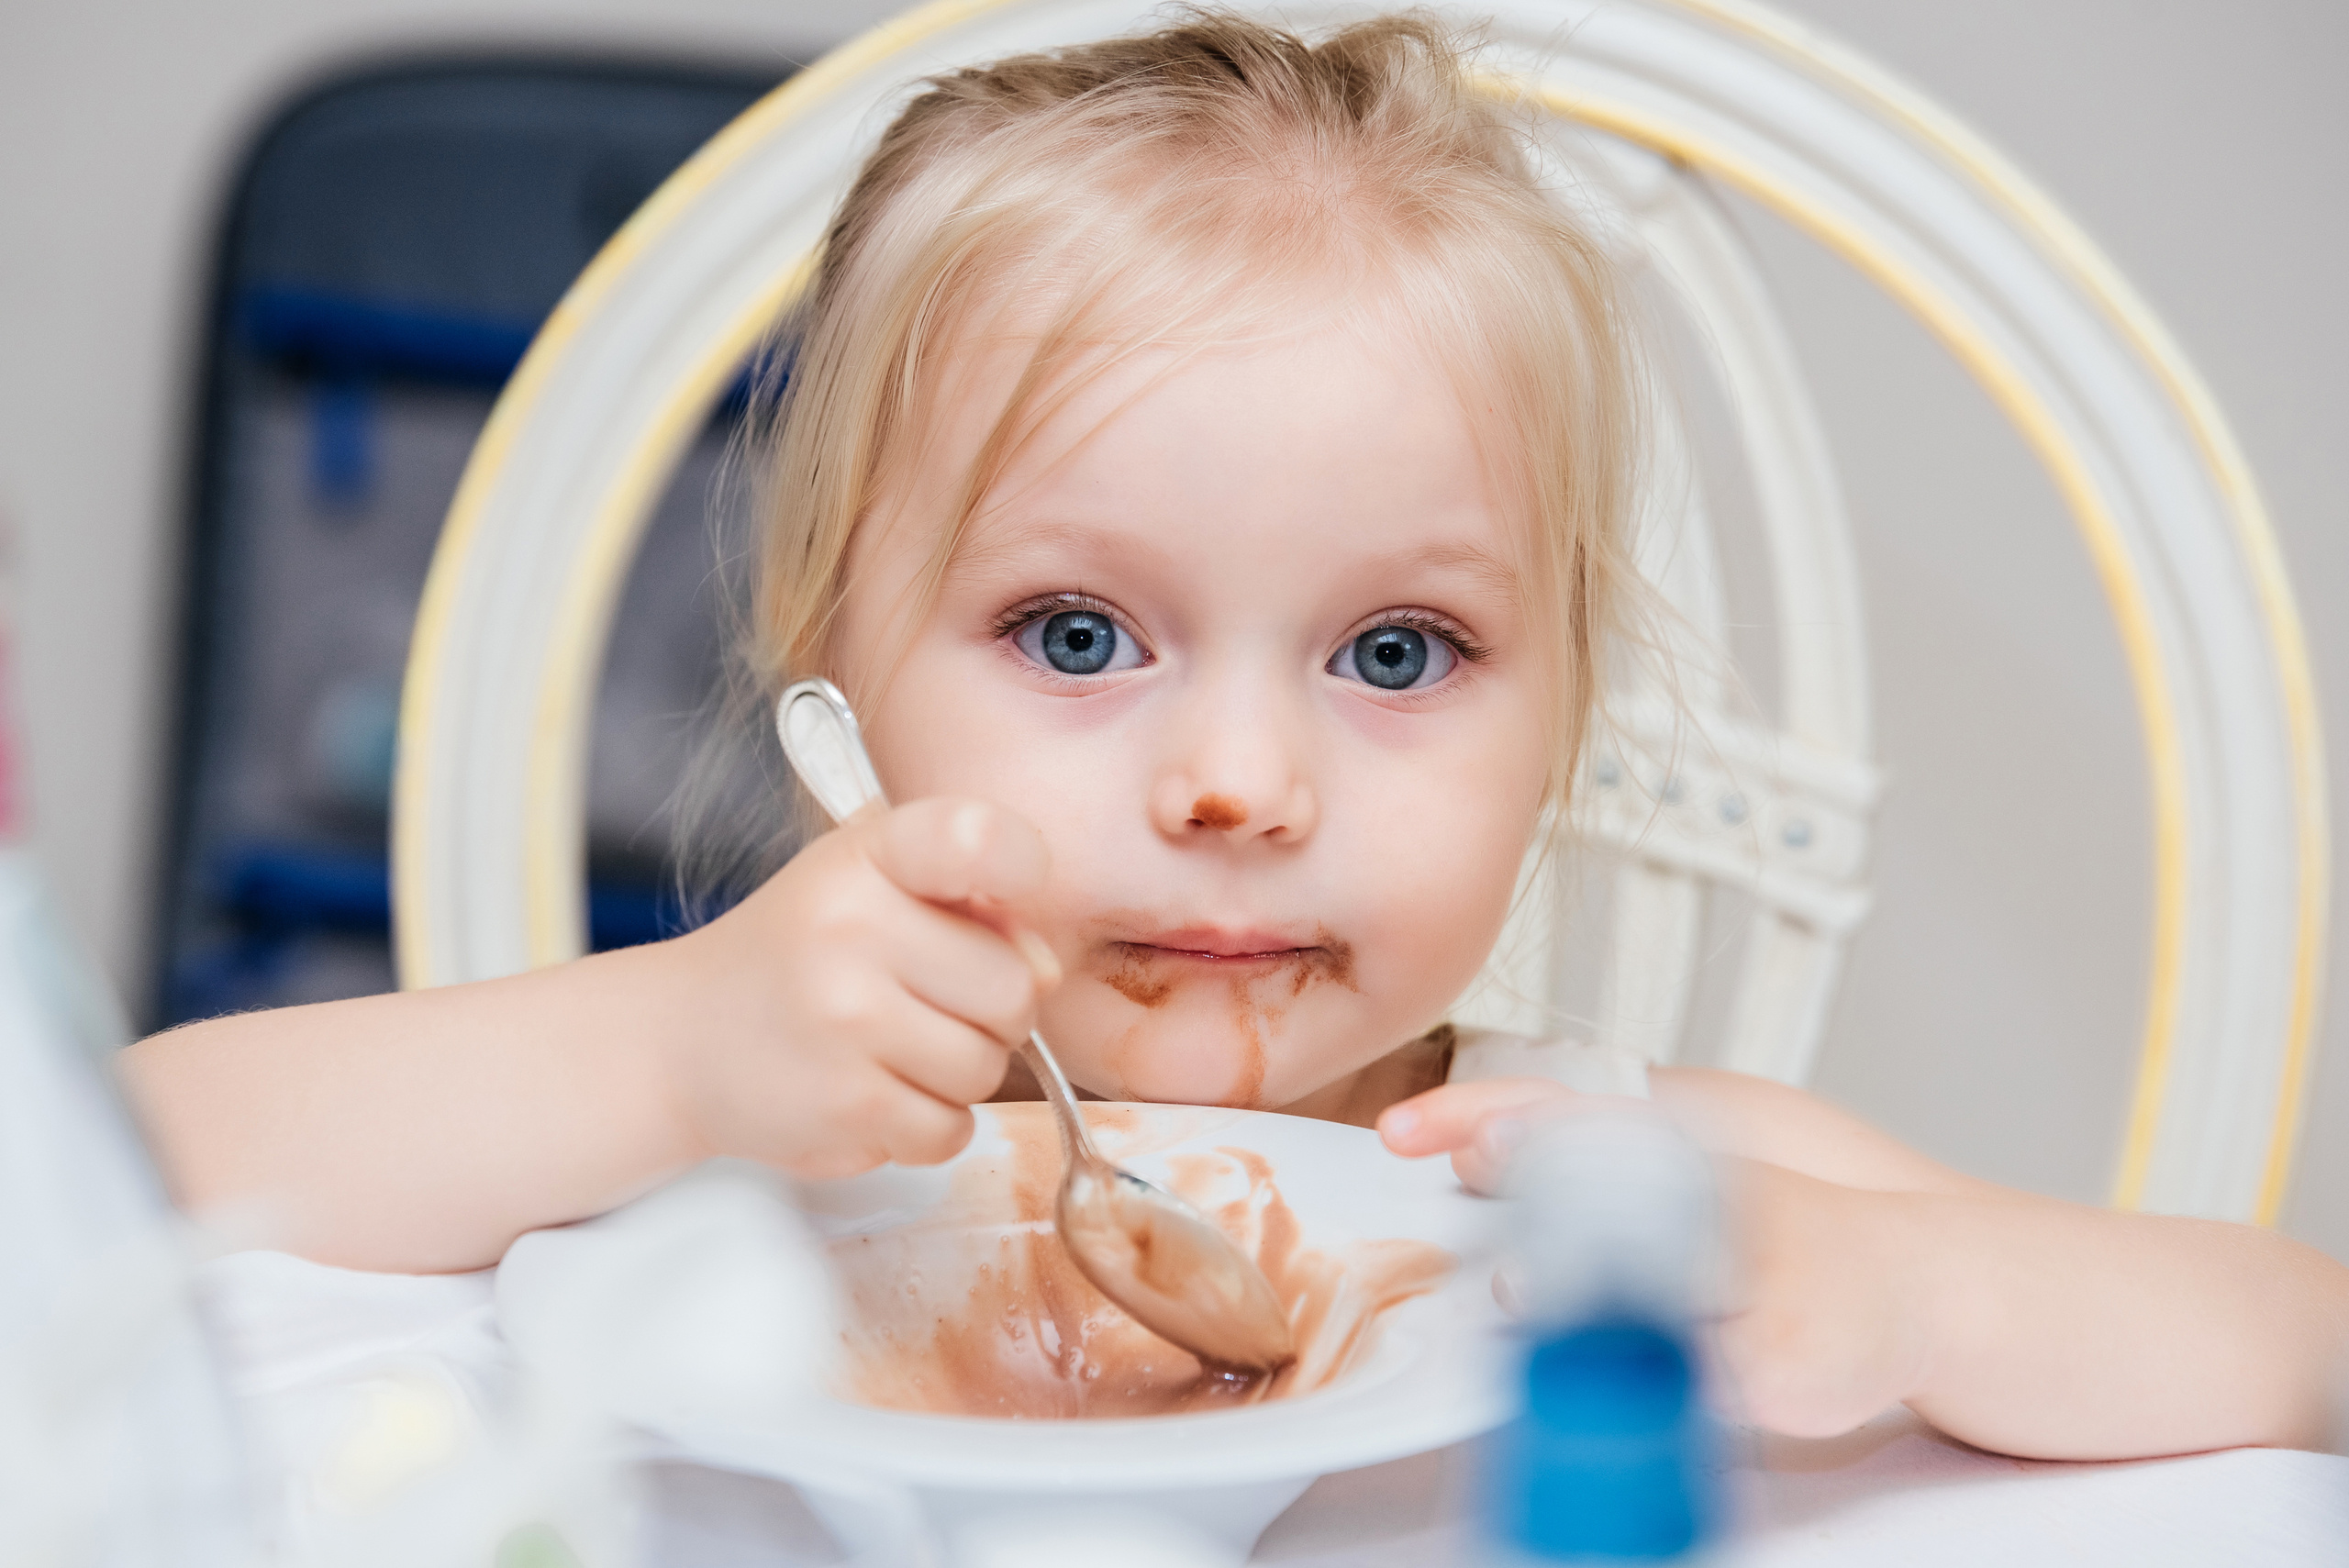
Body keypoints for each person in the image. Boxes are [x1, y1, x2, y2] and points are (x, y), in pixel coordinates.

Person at [121, 11, 2346, 1461]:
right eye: (1078, 633)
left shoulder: (1606, 1188)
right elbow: (104, 1203)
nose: (1239, 786)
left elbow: (2297, 1350)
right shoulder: (725, 1131)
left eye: (1395, 656)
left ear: (1565, 712)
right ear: (838, 683)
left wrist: (1907, 1286)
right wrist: (658, 1057)